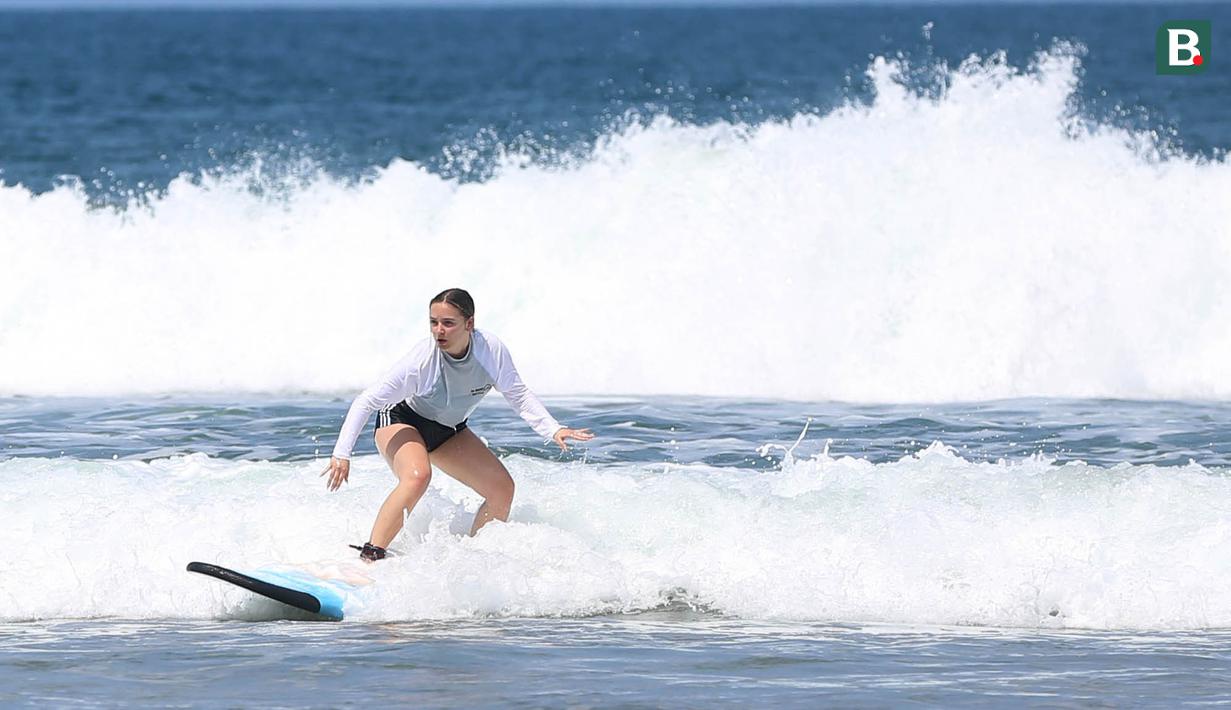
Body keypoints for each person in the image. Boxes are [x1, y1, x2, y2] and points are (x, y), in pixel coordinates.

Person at [320, 288, 594, 561]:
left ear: (469, 324)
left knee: (501, 489)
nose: (439, 330)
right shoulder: (422, 362)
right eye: (433, 322)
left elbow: (518, 394)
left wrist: (553, 428)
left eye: (448, 323)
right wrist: (342, 454)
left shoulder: (490, 351)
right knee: (417, 476)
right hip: (402, 419)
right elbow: (366, 401)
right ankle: (370, 556)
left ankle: (476, 560)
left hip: (449, 430)